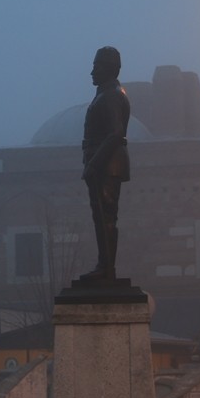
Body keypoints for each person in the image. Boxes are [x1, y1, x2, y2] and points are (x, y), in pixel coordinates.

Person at [79, 45, 131, 281]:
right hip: (105, 163)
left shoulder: (111, 96)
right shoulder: (107, 93)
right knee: (102, 216)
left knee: (105, 216)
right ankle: (104, 265)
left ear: (109, 69)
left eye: (96, 66)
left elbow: (116, 133)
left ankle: (106, 268)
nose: (92, 72)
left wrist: (94, 165)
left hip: (107, 166)